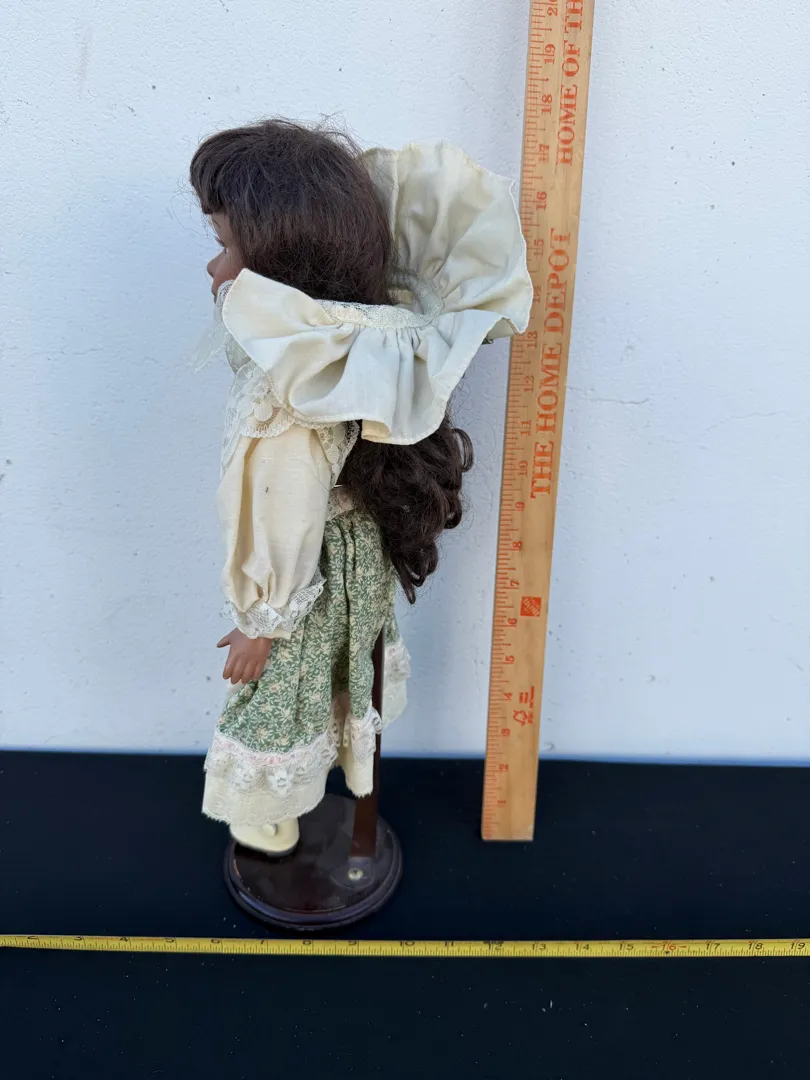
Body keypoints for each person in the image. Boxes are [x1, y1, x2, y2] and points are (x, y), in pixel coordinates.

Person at [190, 119, 532, 855]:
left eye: (224, 247)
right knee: (336, 674)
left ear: (279, 266)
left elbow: (283, 506)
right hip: (351, 557)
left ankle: (269, 810)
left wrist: (261, 618)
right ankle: (325, 787)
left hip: (309, 574)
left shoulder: (295, 387)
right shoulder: (356, 344)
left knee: (284, 683)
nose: (215, 268)